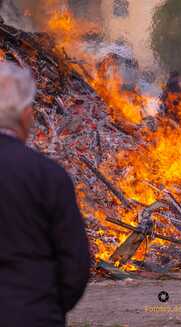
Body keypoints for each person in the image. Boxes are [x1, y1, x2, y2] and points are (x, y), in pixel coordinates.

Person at [0, 62, 90, 327]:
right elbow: (74, 263)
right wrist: (45, 306)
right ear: (26, 114)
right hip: (33, 315)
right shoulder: (48, 176)